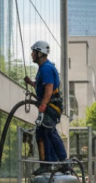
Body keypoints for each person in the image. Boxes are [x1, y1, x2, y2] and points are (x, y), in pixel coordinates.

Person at [23, 40, 67, 173]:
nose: (31, 54)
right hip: (49, 106)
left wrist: (43, 105)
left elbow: (49, 89)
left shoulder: (47, 68)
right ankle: (47, 163)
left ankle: (63, 161)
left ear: (40, 53)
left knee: (49, 131)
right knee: (41, 132)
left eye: (33, 52)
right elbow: (42, 86)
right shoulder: (43, 68)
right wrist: (31, 83)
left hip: (51, 107)